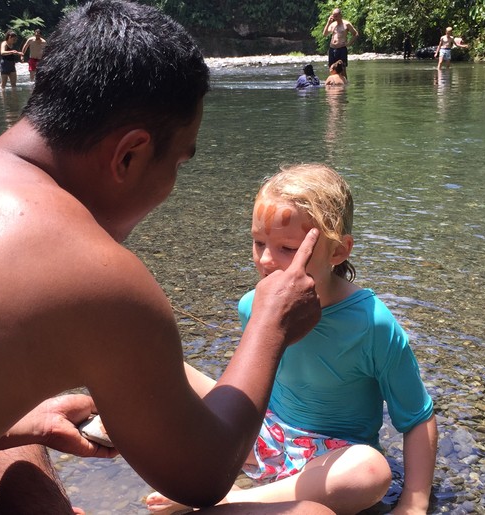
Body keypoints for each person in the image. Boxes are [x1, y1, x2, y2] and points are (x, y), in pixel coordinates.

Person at [0, 2, 334, 514]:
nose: (172, 184)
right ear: (129, 155)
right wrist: (271, 323)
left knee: (11, 428)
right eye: (178, 161)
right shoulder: (95, 271)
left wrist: (17, 425)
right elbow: (203, 475)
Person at [146, 164, 438, 515]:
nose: (266, 260)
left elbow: (418, 417)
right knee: (159, 363)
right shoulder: (253, 305)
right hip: (263, 434)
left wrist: (414, 502)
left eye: (288, 248)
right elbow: (249, 383)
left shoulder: (372, 324)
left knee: (372, 470)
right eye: (258, 243)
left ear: (338, 252)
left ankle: (227, 499)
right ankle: (122, 424)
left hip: (330, 460)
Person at [322, 8, 358, 80]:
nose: (335, 18)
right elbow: (325, 34)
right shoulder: (332, 24)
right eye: (333, 16)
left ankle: (344, 83)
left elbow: (356, 34)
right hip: (332, 48)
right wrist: (328, 22)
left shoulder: (346, 24)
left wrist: (349, 43)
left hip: (341, 49)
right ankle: (333, 83)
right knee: (332, 68)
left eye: (336, 16)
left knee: (342, 68)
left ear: (340, 15)